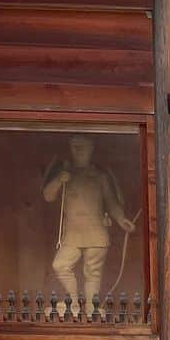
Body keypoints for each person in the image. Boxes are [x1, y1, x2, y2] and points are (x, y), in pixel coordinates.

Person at [42, 133, 136, 314]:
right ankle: (73, 304)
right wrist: (57, 180)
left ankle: (92, 308)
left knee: (92, 271)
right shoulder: (65, 174)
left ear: (92, 149)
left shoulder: (100, 176)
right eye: (75, 146)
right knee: (60, 265)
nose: (78, 151)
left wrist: (121, 219)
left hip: (96, 231)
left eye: (83, 147)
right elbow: (48, 196)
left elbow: (111, 202)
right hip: (72, 233)